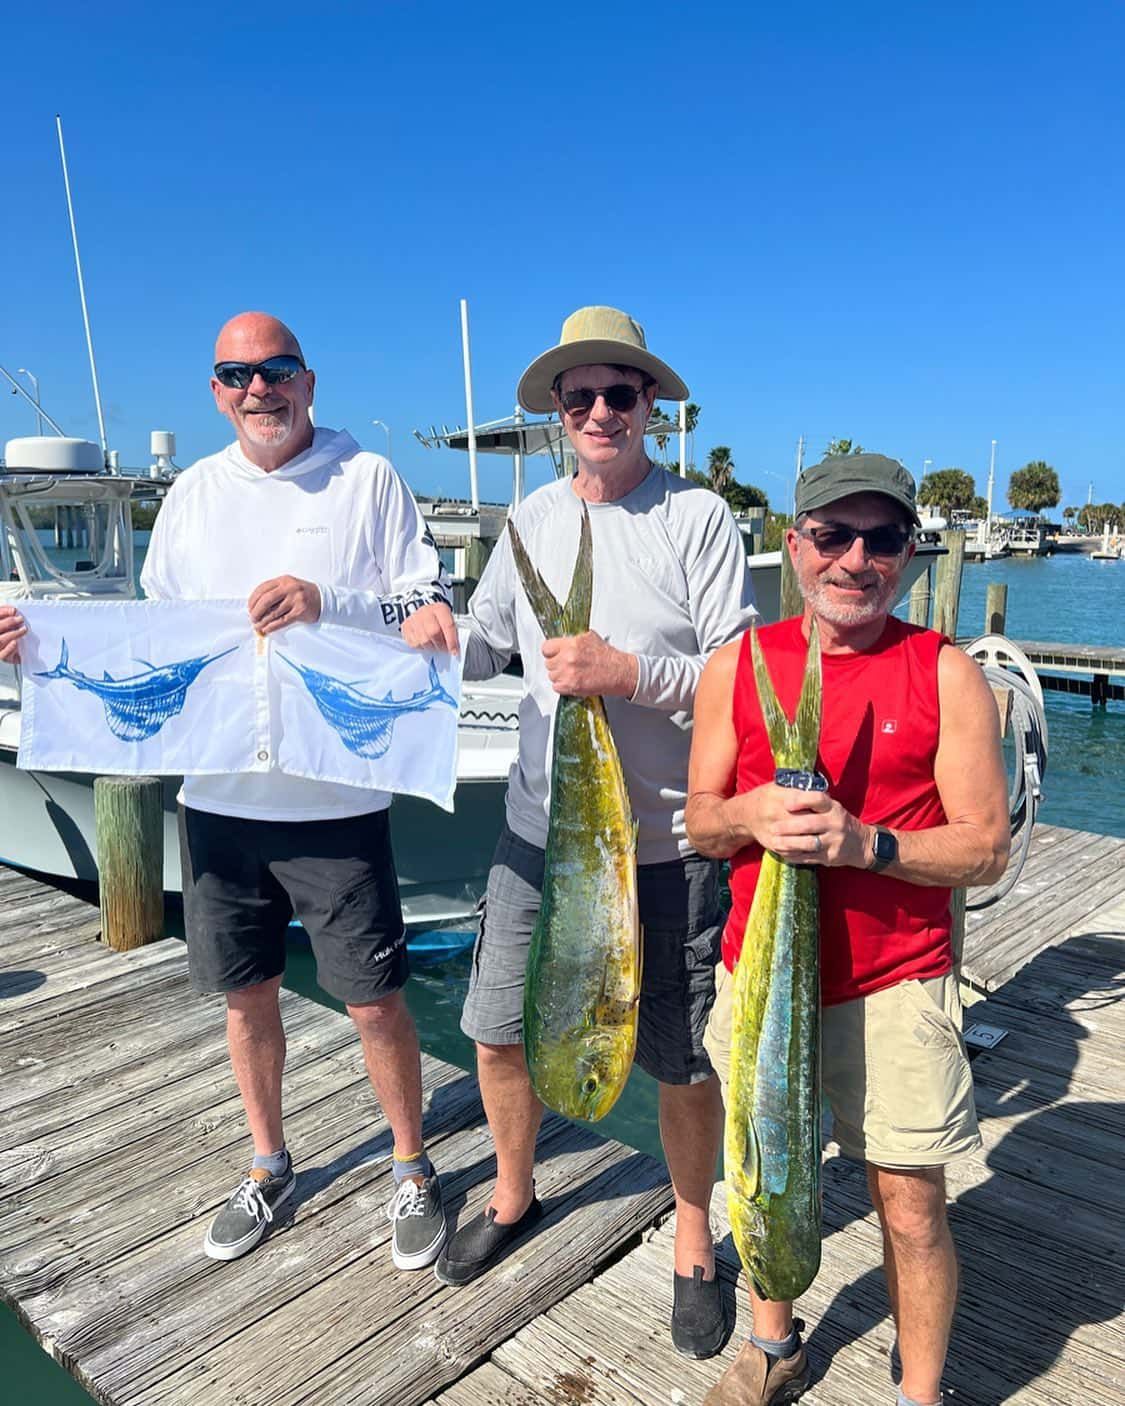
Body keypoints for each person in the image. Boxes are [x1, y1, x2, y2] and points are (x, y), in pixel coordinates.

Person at [435, 306, 758, 1361]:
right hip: (540, 837)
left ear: (650, 406)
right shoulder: (525, 523)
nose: (603, 411)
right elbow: (482, 648)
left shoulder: (698, 518)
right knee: (493, 1025)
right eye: (582, 398)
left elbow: (737, 677)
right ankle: (517, 1190)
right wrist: (418, 631)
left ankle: (694, 1237)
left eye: (622, 393)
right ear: (561, 415)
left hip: (666, 847)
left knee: (680, 1055)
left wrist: (628, 674)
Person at [685, 453, 1010, 1405]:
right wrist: (751, 813)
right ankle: (771, 1344)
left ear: (907, 556)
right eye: (832, 535)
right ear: (793, 548)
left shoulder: (944, 671)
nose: (854, 559)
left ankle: (918, 1394)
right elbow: (700, 822)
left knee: (908, 1208)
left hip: (894, 982)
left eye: (880, 539)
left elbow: (984, 847)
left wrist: (865, 843)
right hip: (757, 980)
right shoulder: (736, 665)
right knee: (757, 1176)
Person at [141, 312, 456, 1268]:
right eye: (236, 375)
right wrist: (40, 648)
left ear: (308, 382)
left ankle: (411, 1169)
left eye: (275, 370)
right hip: (219, 803)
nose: (257, 390)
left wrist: (332, 603)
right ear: (215, 392)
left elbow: (424, 603)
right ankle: (269, 1163)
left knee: (373, 1002)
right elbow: (152, 632)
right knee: (246, 999)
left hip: (339, 798)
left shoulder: (368, 480)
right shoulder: (190, 497)